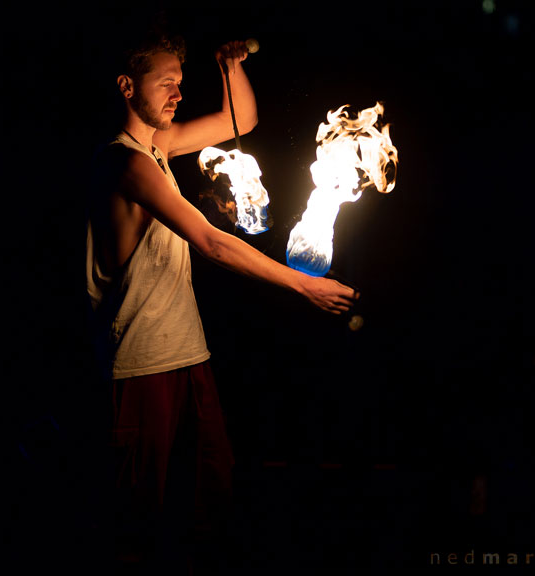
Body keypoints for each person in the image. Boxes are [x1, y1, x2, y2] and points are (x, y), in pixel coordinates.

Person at [85, 29, 359, 575]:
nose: (178, 95)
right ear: (125, 86)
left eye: (181, 84)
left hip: (188, 356)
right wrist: (302, 284)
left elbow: (240, 123)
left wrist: (230, 68)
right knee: (134, 524)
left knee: (208, 507)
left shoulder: (157, 148)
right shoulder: (126, 162)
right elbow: (210, 240)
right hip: (138, 367)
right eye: (167, 84)